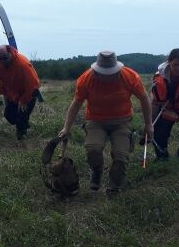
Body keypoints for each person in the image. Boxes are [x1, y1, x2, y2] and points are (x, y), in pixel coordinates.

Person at [58, 51, 153, 197]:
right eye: (103, 73)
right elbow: (76, 103)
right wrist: (66, 128)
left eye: (111, 73)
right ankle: (97, 171)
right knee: (93, 149)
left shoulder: (130, 77)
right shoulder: (86, 79)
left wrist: (149, 125)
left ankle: (114, 187)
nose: (107, 76)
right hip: (96, 121)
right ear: (96, 71)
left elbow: (144, 98)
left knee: (121, 156)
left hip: (122, 121)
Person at [0, 44, 41, 139]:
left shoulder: (23, 65)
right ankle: (25, 124)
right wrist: (4, 95)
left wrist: (24, 101)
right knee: (9, 115)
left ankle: (22, 137)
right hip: (12, 95)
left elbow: (32, 85)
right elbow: (1, 80)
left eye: (5, 58)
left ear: (10, 53)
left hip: (29, 94)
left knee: (22, 116)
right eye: (0, 58)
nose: (3, 61)